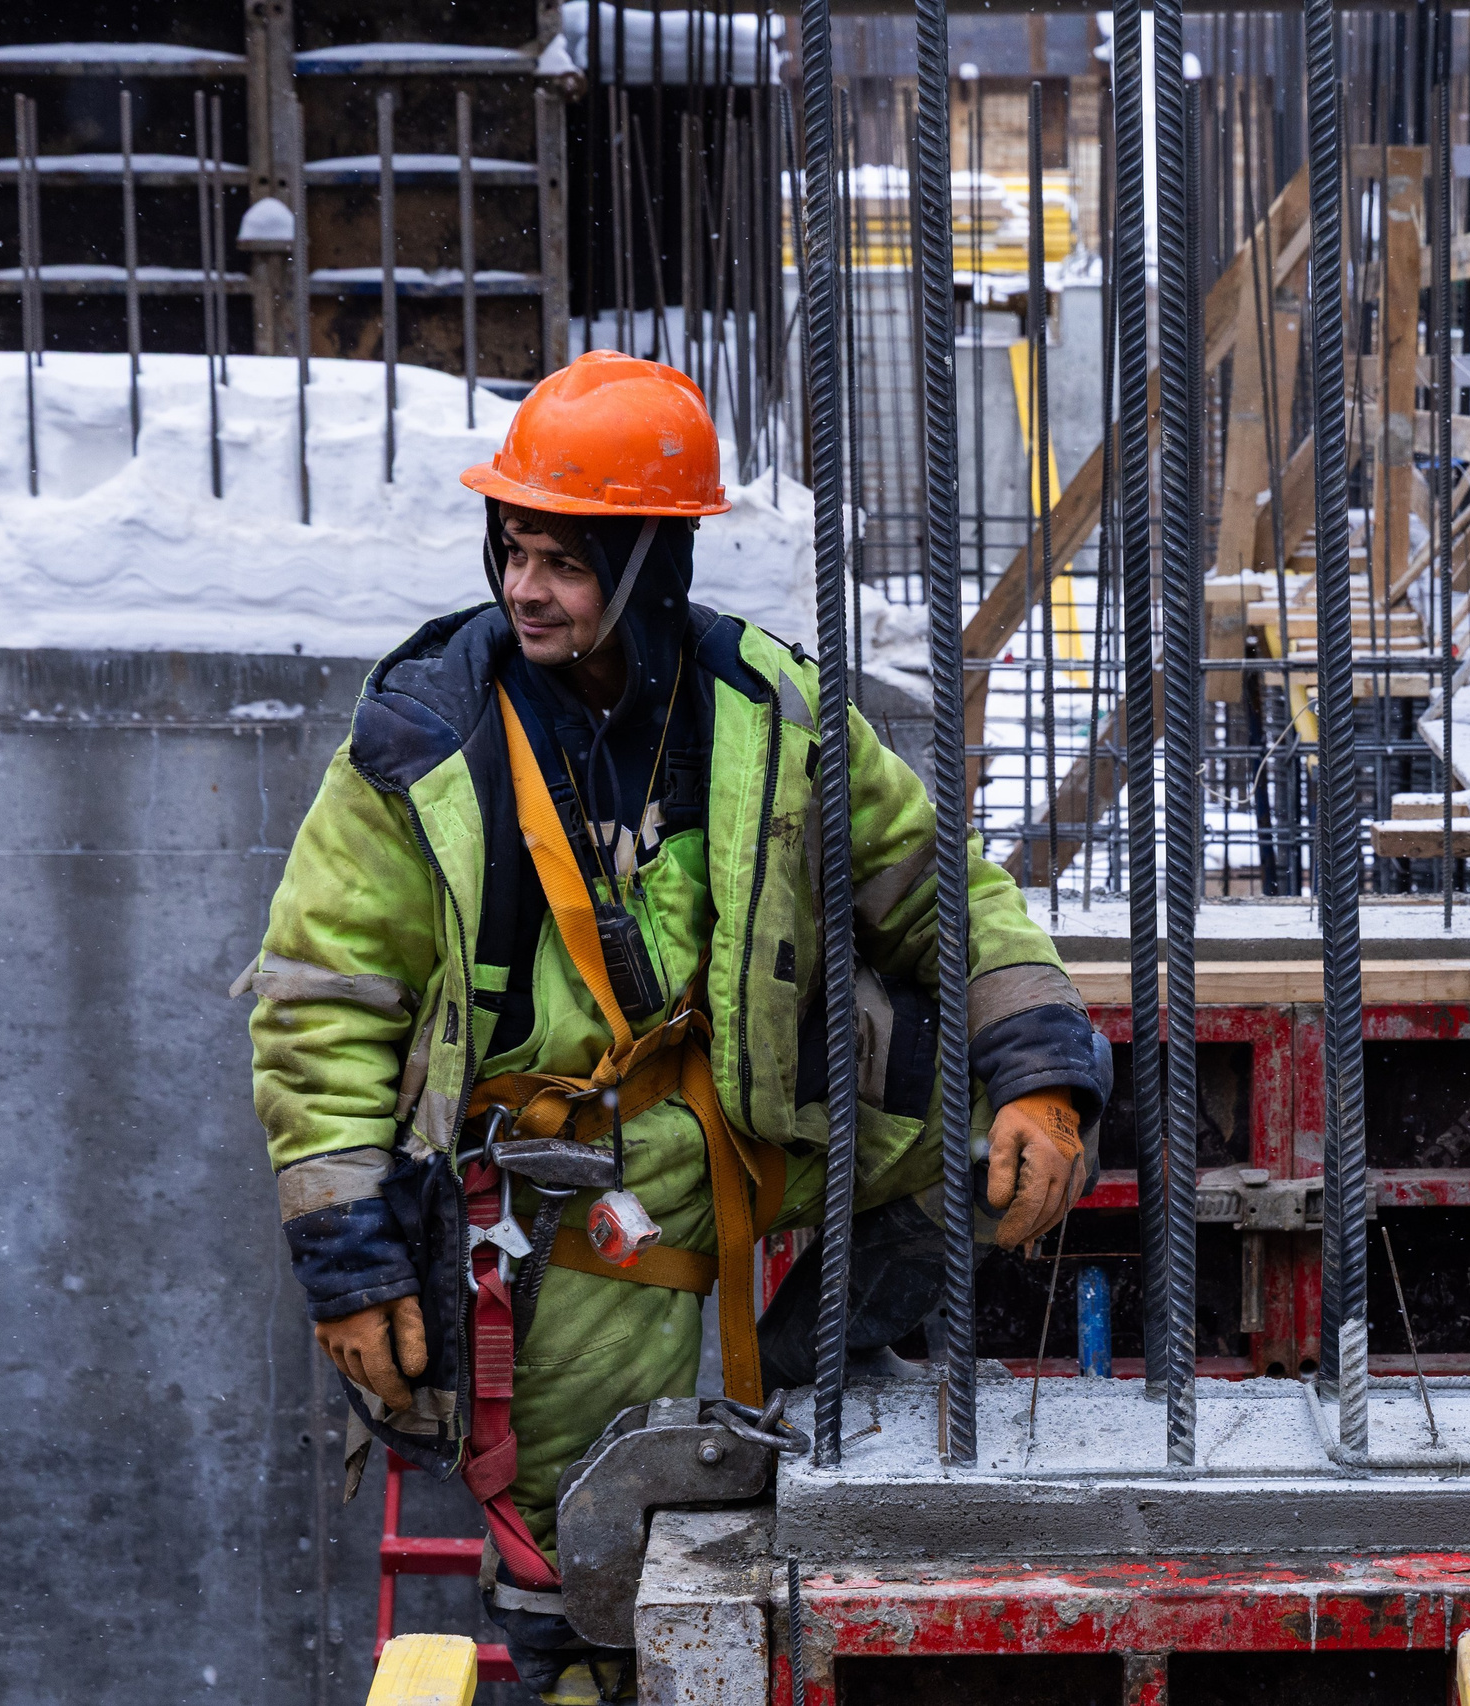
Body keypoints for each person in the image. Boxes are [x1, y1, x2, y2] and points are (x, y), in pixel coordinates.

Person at [237, 351, 1106, 1703]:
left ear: (649, 564)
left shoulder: (768, 710)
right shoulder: (424, 742)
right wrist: (350, 1262)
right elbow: (320, 1002)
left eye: (564, 560)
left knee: (1013, 1123)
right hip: (561, 1206)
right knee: (584, 1570)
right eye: (513, 548)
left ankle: (832, 1348)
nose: (526, 586)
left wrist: (1045, 1072)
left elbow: (944, 891)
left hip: (756, 1134)